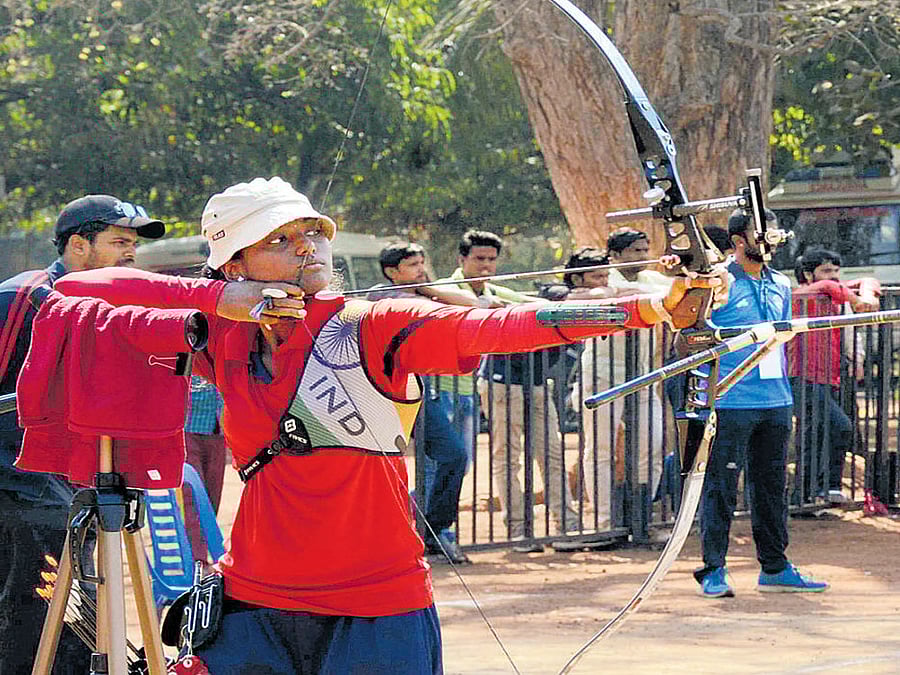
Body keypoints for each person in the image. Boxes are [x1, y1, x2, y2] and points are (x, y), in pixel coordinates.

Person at [53, 176, 723, 674]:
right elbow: (75, 291)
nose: (308, 247)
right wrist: (218, 300)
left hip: (377, 611)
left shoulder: (371, 325)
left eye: (313, 232)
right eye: (279, 240)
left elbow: (497, 324)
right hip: (254, 604)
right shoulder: (222, 337)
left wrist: (651, 307)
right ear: (236, 264)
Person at [0, 195, 165, 674]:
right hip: (20, 490)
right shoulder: (22, 299)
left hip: (80, 486)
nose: (131, 253)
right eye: (119, 242)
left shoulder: (122, 303)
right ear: (78, 245)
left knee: (77, 611)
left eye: (134, 244)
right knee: (34, 613)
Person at [693, 208, 829, 599]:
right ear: (739, 240)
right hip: (731, 397)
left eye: (772, 230)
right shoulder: (720, 282)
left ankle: (774, 566)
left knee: (771, 485)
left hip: (775, 398)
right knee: (721, 485)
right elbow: (698, 331)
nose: (769, 238)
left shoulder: (780, 282)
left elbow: (782, 335)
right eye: (761, 231)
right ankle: (713, 569)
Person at [367, 242, 475, 564]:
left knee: (453, 455)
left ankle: (428, 530)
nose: (420, 269)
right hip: (381, 391)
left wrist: (427, 287)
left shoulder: (424, 292)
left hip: (414, 389)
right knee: (376, 469)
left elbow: (469, 302)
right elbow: (440, 308)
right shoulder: (380, 294)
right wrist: (430, 292)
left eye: (422, 263)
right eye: (412, 265)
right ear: (392, 272)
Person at [563, 247, 666, 536]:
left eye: (605, 275)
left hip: (643, 377)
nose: (603, 280)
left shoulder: (641, 281)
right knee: (600, 450)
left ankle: (640, 519)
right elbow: (590, 297)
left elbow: (670, 288)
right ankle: (605, 522)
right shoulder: (580, 293)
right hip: (600, 377)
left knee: (652, 446)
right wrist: (614, 290)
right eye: (596, 276)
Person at [788, 248, 879, 505]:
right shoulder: (804, 294)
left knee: (814, 434)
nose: (834, 277)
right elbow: (856, 297)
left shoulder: (833, 292)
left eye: (837, 271)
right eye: (827, 271)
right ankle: (824, 488)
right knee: (838, 427)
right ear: (808, 274)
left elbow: (868, 283)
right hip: (802, 374)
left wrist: (865, 288)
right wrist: (848, 290)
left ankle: (810, 495)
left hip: (829, 374)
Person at [183, 375, 227, 564]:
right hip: (188, 429)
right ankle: (197, 559)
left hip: (218, 431)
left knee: (211, 497)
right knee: (191, 496)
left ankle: (205, 550)